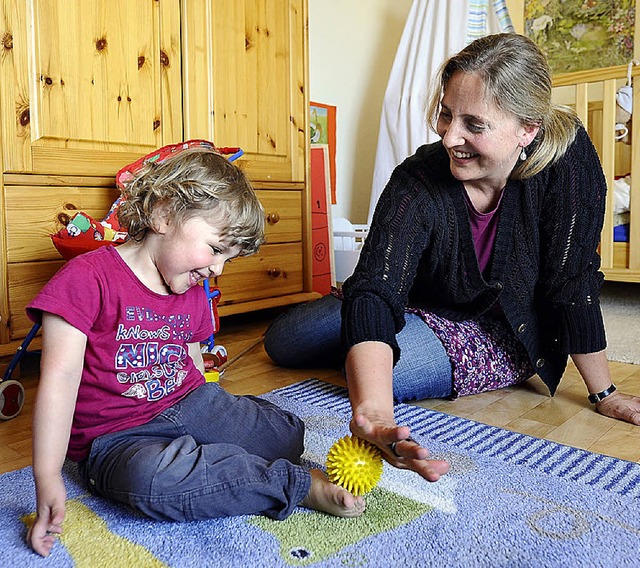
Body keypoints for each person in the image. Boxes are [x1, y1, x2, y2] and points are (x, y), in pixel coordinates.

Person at [264, 33, 640, 482]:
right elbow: (374, 285)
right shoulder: (418, 177)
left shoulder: (568, 163)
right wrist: (372, 402)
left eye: (473, 125)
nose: (449, 137)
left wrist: (605, 392)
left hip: (505, 326)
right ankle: (375, 343)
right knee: (287, 338)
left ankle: (371, 348)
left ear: (527, 128)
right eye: (446, 114)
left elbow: (571, 280)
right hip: (423, 303)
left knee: (390, 377)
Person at [27, 148, 365, 558]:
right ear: (164, 214)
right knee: (151, 482)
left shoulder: (190, 287)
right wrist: (47, 476)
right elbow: (59, 382)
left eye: (228, 258)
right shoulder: (85, 279)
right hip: (118, 439)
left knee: (288, 437)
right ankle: (293, 486)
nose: (218, 269)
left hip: (190, 403)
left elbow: (192, 362)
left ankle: (229, 443)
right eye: (214, 248)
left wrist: (220, 415)